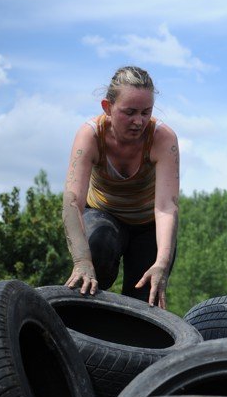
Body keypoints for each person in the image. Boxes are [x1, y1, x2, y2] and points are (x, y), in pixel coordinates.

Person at [61, 65, 180, 309]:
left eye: (146, 112)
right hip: (104, 215)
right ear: (108, 107)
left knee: (145, 296)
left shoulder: (163, 138)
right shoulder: (90, 135)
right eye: (130, 112)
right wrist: (82, 261)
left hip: (148, 224)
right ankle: (85, 315)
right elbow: (72, 201)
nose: (139, 121)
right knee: (97, 249)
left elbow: (167, 207)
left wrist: (162, 263)